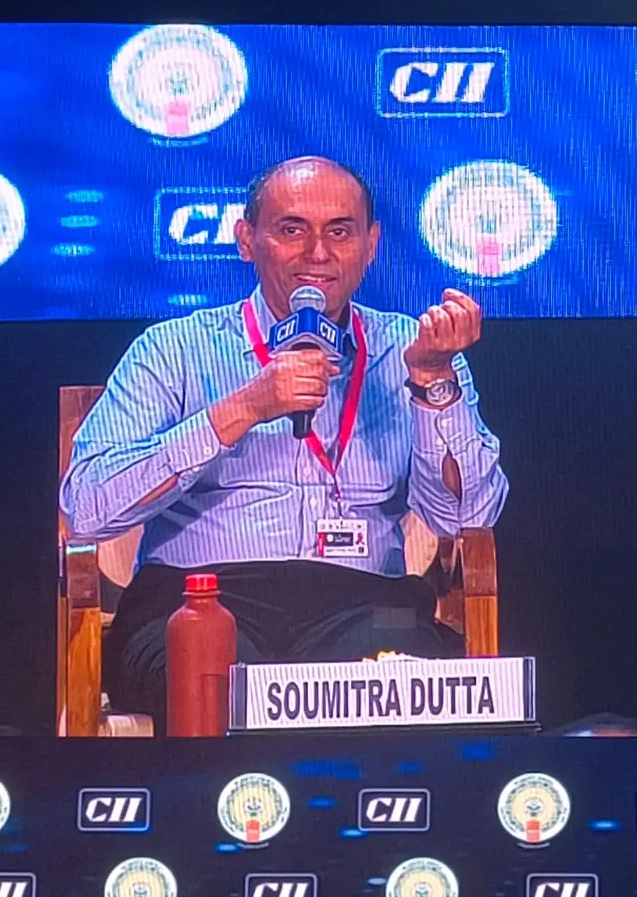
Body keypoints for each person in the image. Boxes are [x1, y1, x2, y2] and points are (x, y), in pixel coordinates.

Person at [61, 156, 508, 724]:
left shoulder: (413, 350)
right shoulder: (172, 350)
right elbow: (87, 509)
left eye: (340, 232)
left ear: (371, 245)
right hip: (199, 597)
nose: (317, 253)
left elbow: (466, 517)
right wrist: (243, 408)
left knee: (396, 682)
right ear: (246, 240)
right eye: (292, 229)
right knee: (207, 679)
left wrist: (433, 383)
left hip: (366, 604)